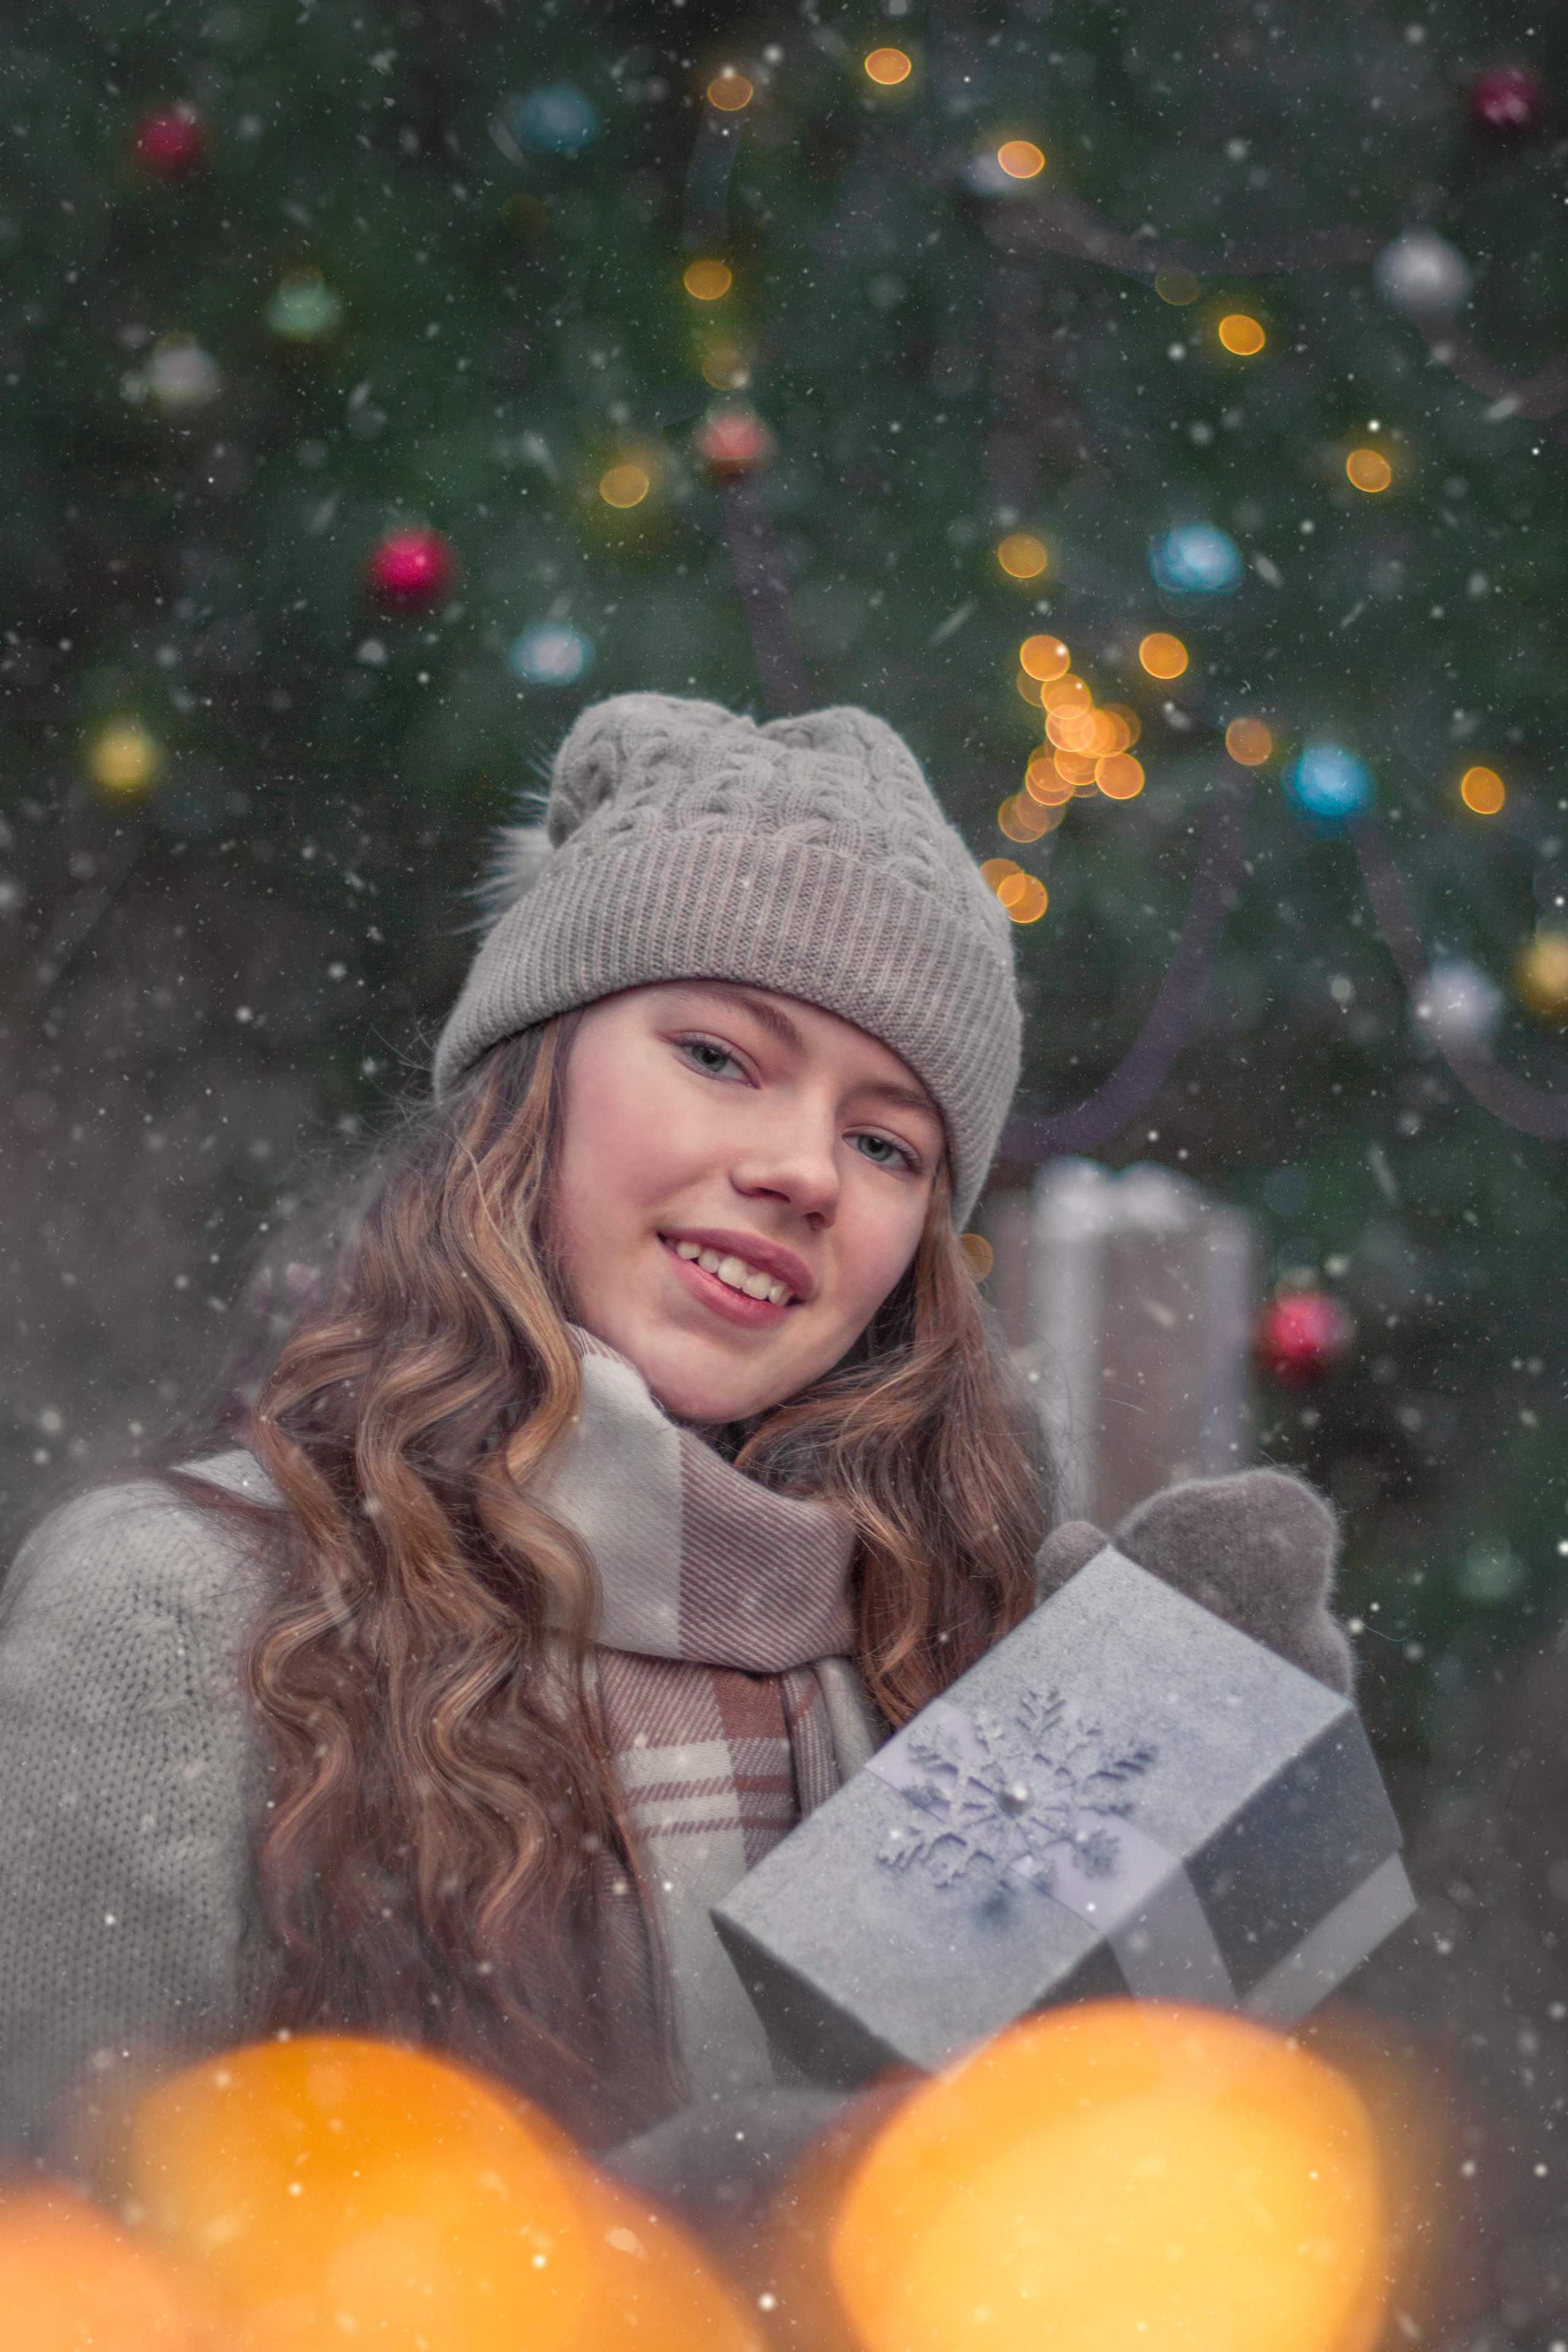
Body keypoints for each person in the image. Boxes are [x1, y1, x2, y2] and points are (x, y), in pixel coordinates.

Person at [0, 694, 1352, 2188]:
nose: (799, 1172)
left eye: (885, 1143)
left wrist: (1188, 1843)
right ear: (531, 1080)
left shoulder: (941, 1656)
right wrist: (658, 2268)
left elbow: (1077, 2239)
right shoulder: (180, 1614)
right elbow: (67, 2273)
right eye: (719, 1056)